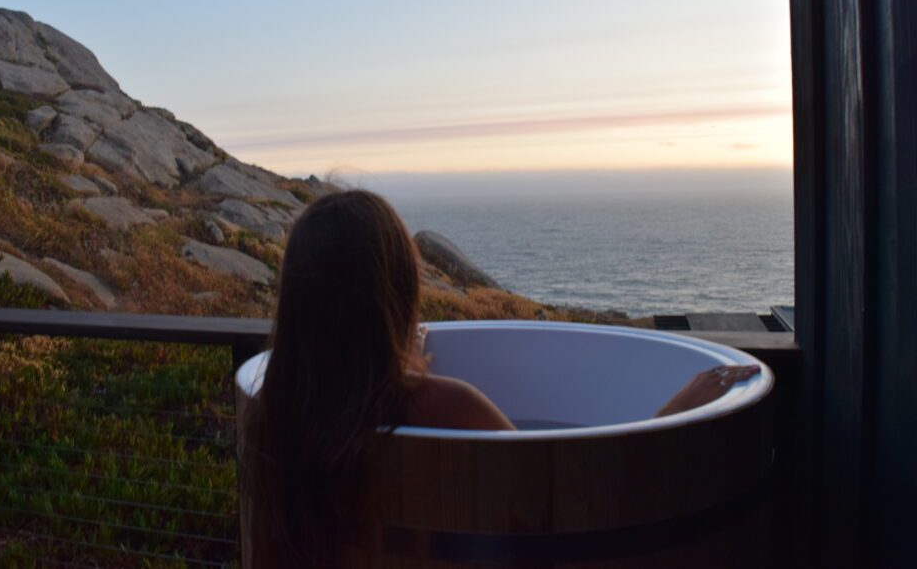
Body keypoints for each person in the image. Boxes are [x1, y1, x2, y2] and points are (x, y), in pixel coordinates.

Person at [241, 189, 759, 568]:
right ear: (394, 296)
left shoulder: (276, 416)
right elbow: (556, 496)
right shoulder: (445, 405)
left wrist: (399, 360)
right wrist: (681, 408)